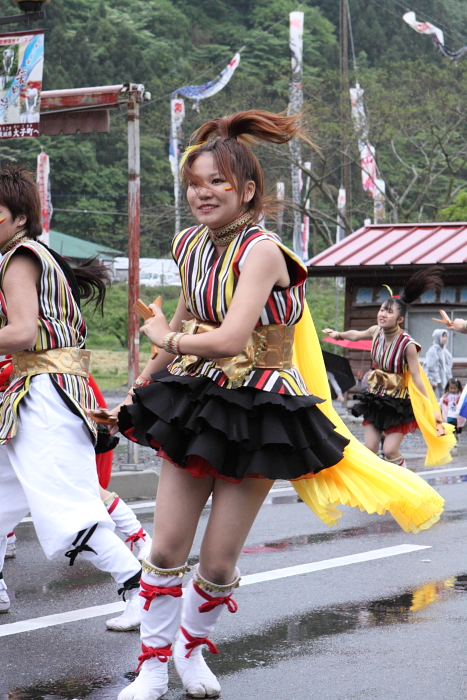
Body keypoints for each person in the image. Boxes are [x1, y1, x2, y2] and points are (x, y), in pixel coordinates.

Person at [112, 110, 446, 700]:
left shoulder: (263, 251)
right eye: (195, 182)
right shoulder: (189, 244)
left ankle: (191, 652)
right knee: (165, 548)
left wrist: (165, 340)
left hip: (262, 406)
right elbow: (193, 313)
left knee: (216, 564)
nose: (202, 193)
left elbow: (230, 339)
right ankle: (152, 665)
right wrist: (143, 380)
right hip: (196, 396)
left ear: (247, 191)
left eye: (217, 182)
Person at [0, 165, 142, 630]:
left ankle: (138, 586)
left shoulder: (18, 257)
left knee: (68, 510)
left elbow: (21, 332)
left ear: (19, 217)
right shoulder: (30, 253)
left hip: (45, 392)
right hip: (38, 390)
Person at [324, 273, 445, 469]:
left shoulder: (408, 345)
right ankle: (377, 492)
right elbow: (356, 335)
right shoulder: (376, 332)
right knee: (370, 448)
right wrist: (337, 334)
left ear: (399, 319)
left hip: (399, 403)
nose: (383, 314)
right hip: (375, 397)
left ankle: (405, 481)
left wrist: (431, 406)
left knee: (389, 450)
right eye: (382, 310)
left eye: (389, 312)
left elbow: (416, 377)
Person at [423, 329, 453, 398]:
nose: (444, 339)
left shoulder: (445, 351)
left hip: (445, 380)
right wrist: (434, 380)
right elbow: (431, 366)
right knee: (436, 399)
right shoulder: (433, 351)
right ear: (437, 337)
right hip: (436, 382)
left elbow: (448, 367)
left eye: (446, 336)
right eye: (442, 336)